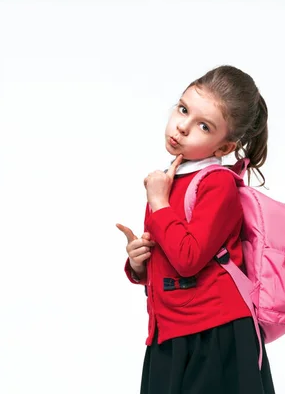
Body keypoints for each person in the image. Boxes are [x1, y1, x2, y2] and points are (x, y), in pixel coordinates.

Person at [116, 65, 275, 394]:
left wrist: (158, 203)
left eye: (204, 125)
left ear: (224, 148)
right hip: (170, 329)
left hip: (214, 333)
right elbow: (168, 257)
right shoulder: (170, 178)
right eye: (183, 109)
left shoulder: (217, 184)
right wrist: (138, 264)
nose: (182, 126)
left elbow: (188, 258)